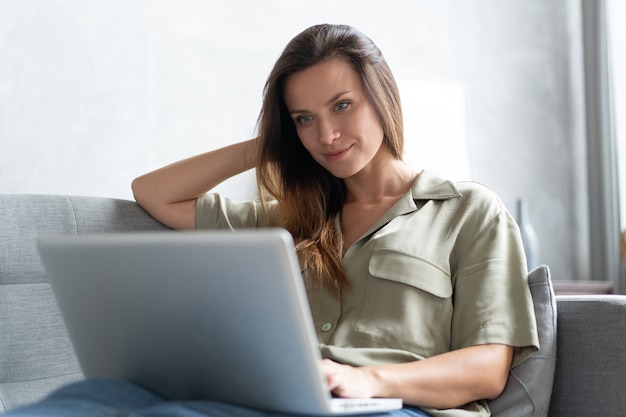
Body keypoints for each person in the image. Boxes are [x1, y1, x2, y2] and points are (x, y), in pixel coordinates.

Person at [6, 24, 538, 417]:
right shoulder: (291, 218)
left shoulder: (469, 212)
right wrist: (271, 143)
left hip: (396, 407)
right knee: (88, 399)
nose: (326, 135)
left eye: (342, 105)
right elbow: (155, 194)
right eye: (304, 119)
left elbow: (488, 366)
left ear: (382, 98)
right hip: (280, 398)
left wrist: (367, 380)